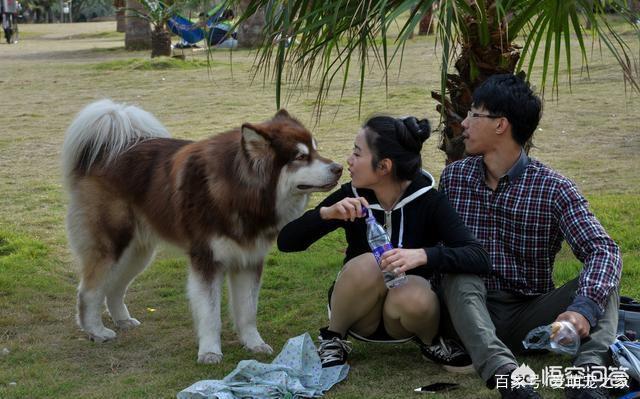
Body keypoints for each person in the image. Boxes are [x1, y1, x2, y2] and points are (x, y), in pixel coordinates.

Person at [438, 74, 622, 399]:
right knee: (460, 274)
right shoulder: (455, 177)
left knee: (603, 283)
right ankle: (510, 379)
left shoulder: (554, 188)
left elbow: (603, 250)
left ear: (500, 125)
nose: (463, 123)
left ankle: (587, 377)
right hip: (469, 313)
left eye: (473, 114)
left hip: (530, 315)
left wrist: (582, 309)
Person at [277, 115, 491, 372]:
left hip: (403, 315)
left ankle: (431, 343)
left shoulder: (429, 200)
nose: (349, 160)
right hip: (358, 312)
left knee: (414, 292)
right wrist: (326, 214)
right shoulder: (350, 196)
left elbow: (478, 256)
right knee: (370, 261)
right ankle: (334, 338)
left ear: (384, 166)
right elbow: (287, 242)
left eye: (357, 153)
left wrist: (422, 255)